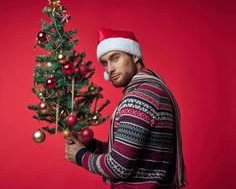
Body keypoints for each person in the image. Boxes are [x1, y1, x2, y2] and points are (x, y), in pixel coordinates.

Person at [65, 28, 187, 189]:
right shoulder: (154, 88)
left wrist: (80, 155)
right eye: (105, 63)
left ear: (134, 55)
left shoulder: (139, 97)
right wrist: (90, 145)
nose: (110, 69)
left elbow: (118, 166)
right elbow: (129, 151)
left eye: (115, 58)